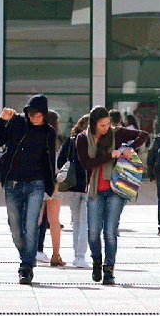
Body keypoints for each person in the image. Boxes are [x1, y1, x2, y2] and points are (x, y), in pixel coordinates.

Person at [77, 106, 148, 284]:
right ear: (93, 124)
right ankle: (96, 260)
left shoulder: (117, 133)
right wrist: (111, 155)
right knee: (93, 232)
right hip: (95, 190)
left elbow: (143, 135)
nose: (106, 127)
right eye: (102, 125)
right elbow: (87, 164)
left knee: (110, 231)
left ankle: (109, 270)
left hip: (116, 189)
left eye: (108, 123)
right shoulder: (83, 138)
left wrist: (128, 148)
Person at [0, 94, 57, 285]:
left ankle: (26, 267)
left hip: (35, 184)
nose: (35, 118)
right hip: (12, 183)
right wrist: (2, 120)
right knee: (15, 228)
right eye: (31, 114)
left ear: (44, 114)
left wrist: (50, 185)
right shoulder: (17, 123)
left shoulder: (49, 132)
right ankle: (27, 257)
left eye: (39, 115)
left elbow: (50, 160)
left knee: (31, 226)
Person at [58, 114, 90, 267]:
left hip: (71, 185)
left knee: (77, 222)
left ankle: (77, 255)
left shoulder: (69, 141)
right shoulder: (94, 142)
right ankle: (79, 256)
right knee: (83, 222)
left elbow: (59, 162)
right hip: (88, 186)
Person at [41, 110, 65, 266]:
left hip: (38, 182)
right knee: (54, 220)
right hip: (55, 184)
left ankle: (33, 253)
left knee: (36, 219)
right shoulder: (57, 141)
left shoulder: (38, 137)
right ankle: (56, 255)